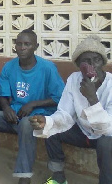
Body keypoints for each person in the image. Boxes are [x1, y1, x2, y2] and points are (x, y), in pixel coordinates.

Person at [0, 29, 65, 184]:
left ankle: (24, 176)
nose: (22, 47)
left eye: (27, 44)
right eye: (19, 44)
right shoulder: (9, 67)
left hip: (40, 116)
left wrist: (33, 104)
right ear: (15, 46)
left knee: (26, 123)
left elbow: (59, 98)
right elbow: (3, 96)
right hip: (16, 114)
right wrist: (6, 108)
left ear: (35, 46)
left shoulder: (47, 68)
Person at [30, 36, 112, 184]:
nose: (92, 65)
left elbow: (109, 128)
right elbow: (65, 113)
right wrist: (47, 121)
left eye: (96, 60)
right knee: (52, 129)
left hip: (105, 135)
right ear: (79, 65)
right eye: (85, 61)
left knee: (107, 143)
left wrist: (92, 99)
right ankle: (58, 176)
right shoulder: (74, 79)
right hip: (82, 131)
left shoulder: (110, 85)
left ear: (103, 62)